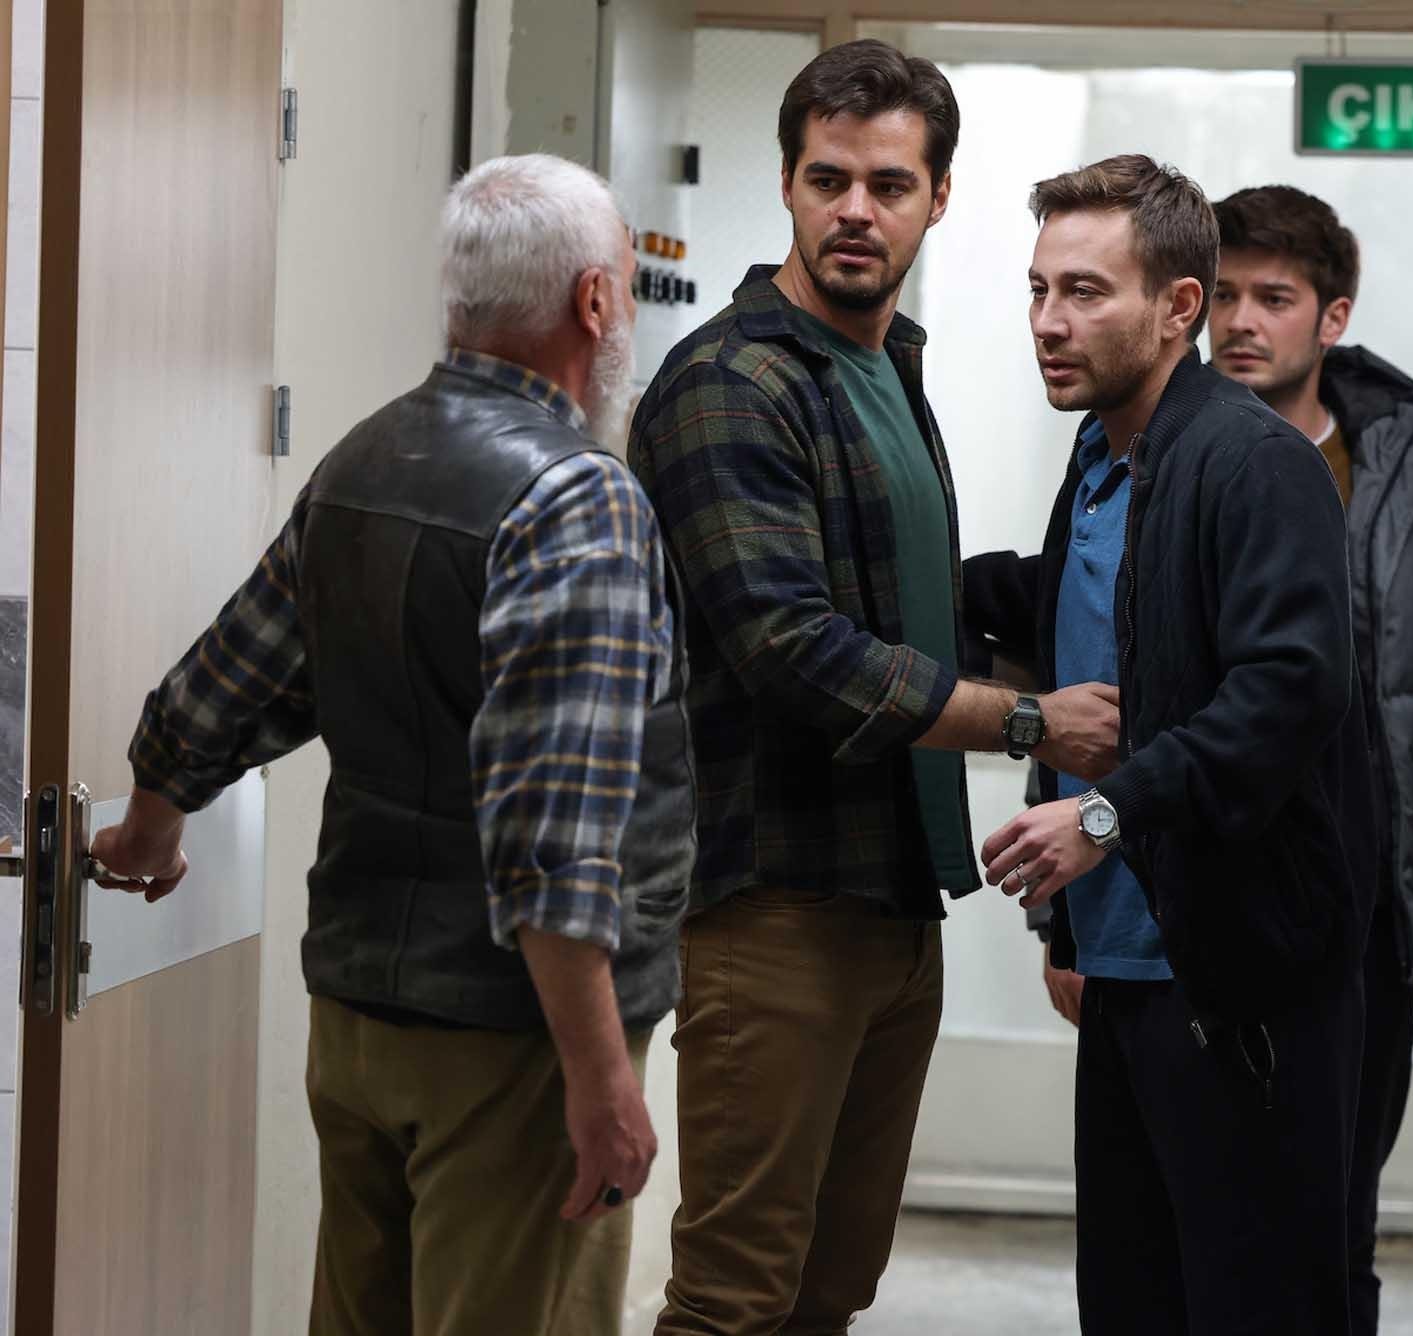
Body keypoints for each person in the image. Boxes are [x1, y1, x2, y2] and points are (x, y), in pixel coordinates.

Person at [90, 153, 690, 1335]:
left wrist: (148, 828)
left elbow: (227, 681)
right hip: (511, 1042)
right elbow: (552, 837)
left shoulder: (362, 460)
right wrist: (600, 1076)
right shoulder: (579, 498)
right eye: (623, 280)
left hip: (360, 1015)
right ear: (593, 301)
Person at [624, 40, 1119, 1336]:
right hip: (775, 906)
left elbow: (907, 618)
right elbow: (795, 650)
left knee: (830, 1291)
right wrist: (1032, 722)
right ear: (787, 184)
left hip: (894, 901)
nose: (856, 210)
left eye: (889, 184)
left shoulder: (888, 362)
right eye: (828, 179)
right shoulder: (730, 381)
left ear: (937, 198)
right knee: (733, 1297)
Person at [963, 153, 1378, 1335]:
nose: (1049, 322)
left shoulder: (1253, 460)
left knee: (1252, 1312)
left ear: (1176, 306)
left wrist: (1103, 814)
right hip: (1125, 972)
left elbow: (1287, 691)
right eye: (1039, 289)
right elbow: (1093, 610)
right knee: (1132, 1305)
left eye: (1086, 292)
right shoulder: (1104, 458)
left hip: (1240, 986)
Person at [1208, 184, 1413, 1333]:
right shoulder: (1151, 448)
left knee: (1336, 1215)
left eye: (1273, 298)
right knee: (1201, 1210)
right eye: (1223, 294)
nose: (1240, 321)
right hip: (1204, 883)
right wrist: (1065, 915)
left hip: (1367, 893)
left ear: (1332, 317)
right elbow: (1094, 662)